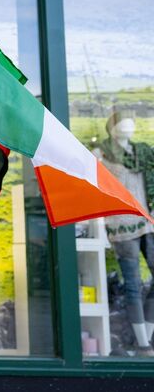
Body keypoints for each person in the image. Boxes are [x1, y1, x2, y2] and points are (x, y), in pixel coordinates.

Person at [94, 111, 154, 356]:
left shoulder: (143, 153)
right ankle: (143, 343)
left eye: (131, 120)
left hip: (148, 220)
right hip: (121, 223)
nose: (128, 124)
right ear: (112, 127)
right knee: (132, 282)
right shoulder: (101, 154)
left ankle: (145, 339)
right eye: (122, 121)